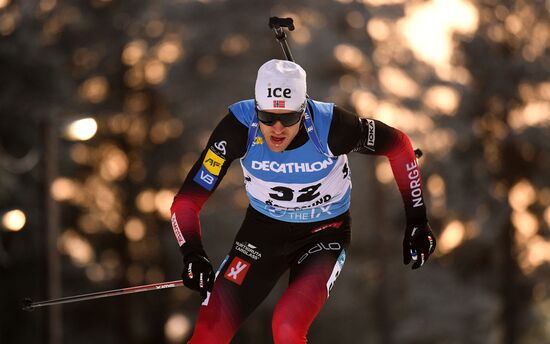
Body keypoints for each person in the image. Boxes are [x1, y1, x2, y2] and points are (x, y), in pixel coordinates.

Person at [170, 59, 436, 343]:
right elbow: (185, 203)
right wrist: (193, 253)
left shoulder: (332, 127)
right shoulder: (237, 129)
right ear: (256, 108)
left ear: (304, 109)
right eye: (268, 116)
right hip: (262, 234)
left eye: (289, 118)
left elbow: (399, 146)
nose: (277, 129)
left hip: (323, 234)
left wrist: (417, 221)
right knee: (209, 333)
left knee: (287, 327)